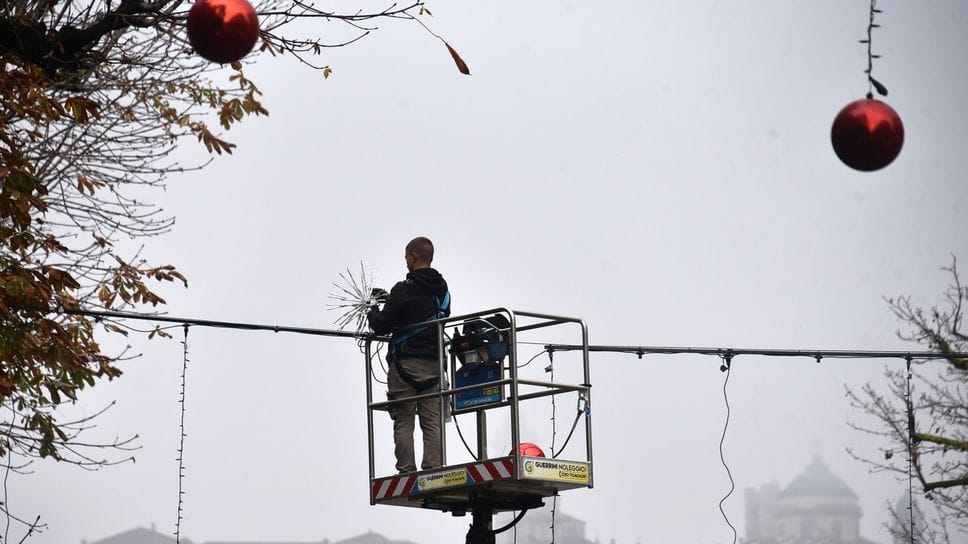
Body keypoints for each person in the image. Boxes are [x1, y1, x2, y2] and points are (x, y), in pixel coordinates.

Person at [367, 236, 451, 474]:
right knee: (431, 421)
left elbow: (382, 325)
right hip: (435, 366)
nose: (406, 263)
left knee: (404, 420)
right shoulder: (444, 292)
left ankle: (406, 470)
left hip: (405, 366)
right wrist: (391, 302)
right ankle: (433, 468)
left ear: (413, 257)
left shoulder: (404, 289)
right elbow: (423, 312)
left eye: (406, 257)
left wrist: (373, 308)